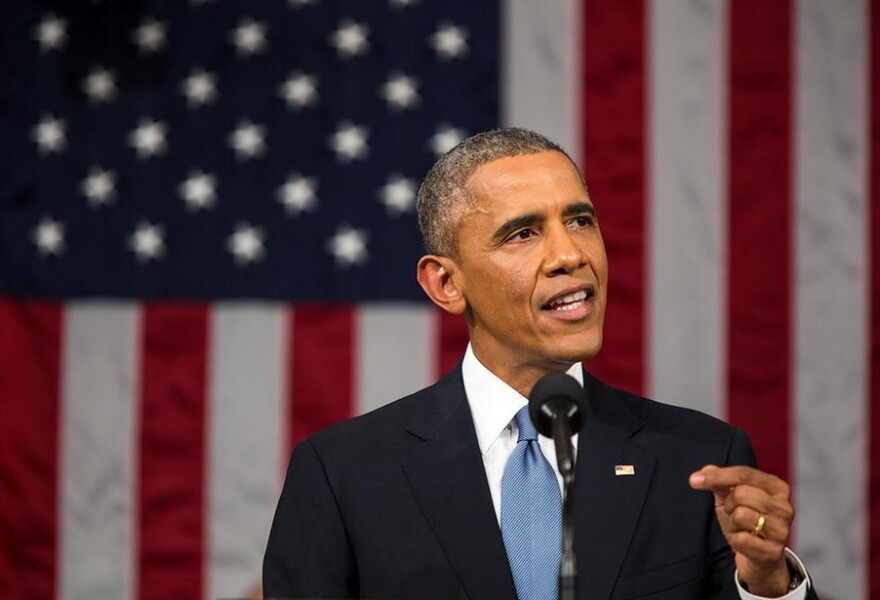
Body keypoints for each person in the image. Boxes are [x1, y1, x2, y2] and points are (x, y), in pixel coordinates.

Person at [263, 128, 817, 599]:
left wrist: (767, 583)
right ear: (447, 283)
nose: (570, 254)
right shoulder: (343, 476)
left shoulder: (698, 460)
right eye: (524, 233)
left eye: (579, 221)